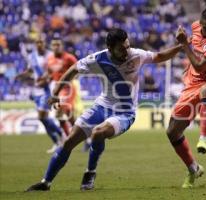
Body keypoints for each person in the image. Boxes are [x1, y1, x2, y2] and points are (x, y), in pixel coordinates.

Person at [26, 28, 183, 191]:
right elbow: (73, 69)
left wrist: (181, 46)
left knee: (98, 132)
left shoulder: (136, 55)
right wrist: (56, 93)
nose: (126, 51)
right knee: (68, 141)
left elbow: (159, 56)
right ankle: (46, 182)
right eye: (122, 49)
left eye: (127, 46)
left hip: (125, 112)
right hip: (101, 106)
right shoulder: (98, 59)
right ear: (110, 48)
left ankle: (90, 173)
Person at [166, 5, 206, 188]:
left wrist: (185, 44)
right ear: (200, 23)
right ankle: (193, 168)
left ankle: (204, 137)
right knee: (172, 132)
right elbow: (196, 43)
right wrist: (186, 40)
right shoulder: (195, 27)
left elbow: (200, 66)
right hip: (191, 84)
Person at [16, 36, 63, 154]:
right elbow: (31, 70)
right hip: (36, 91)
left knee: (41, 116)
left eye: (41, 42)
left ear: (44, 43)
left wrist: (46, 80)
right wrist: (22, 75)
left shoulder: (50, 56)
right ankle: (56, 142)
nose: (39, 44)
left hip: (47, 90)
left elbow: (55, 72)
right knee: (43, 119)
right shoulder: (32, 57)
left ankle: (62, 135)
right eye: (37, 42)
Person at [46, 37, 83, 137]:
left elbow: (79, 70)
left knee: (63, 110)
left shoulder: (69, 58)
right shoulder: (50, 59)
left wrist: (70, 79)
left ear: (62, 46)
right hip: (56, 89)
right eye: (54, 45)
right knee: (62, 116)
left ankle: (73, 137)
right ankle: (72, 137)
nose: (56, 47)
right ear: (51, 46)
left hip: (67, 88)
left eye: (58, 44)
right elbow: (50, 74)